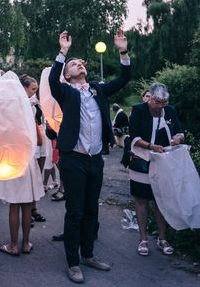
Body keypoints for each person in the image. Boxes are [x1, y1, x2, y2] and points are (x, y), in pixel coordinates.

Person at [49, 30, 131, 284]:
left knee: (91, 209)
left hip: (95, 159)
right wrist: (63, 52)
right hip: (73, 158)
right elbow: (53, 80)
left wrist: (122, 50)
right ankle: (73, 262)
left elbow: (124, 78)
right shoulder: (65, 91)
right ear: (68, 74)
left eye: (80, 62)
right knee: (74, 211)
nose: (80, 64)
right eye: (74, 64)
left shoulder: (98, 89)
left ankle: (88, 254)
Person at [128, 82, 185, 257]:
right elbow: (134, 136)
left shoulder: (170, 111)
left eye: (163, 103)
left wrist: (178, 138)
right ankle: (143, 239)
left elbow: (180, 130)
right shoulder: (138, 110)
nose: (160, 106)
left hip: (163, 161)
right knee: (141, 200)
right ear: (149, 98)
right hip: (141, 160)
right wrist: (150, 146)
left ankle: (162, 238)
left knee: (161, 200)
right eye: (157, 102)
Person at [0, 75, 45, 257]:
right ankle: (25, 243)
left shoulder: (8, 107)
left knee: (14, 205)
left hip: (12, 158)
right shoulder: (30, 108)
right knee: (26, 205)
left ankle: (13, 245)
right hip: (28, 158)